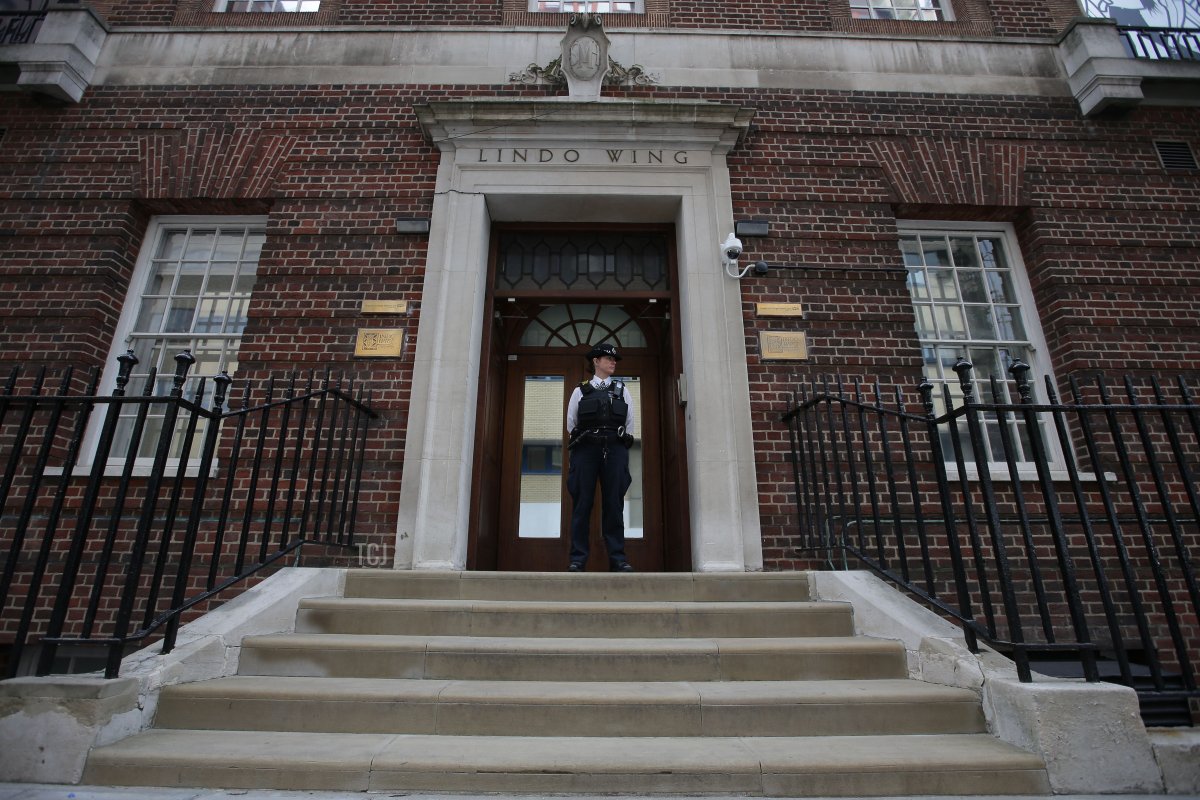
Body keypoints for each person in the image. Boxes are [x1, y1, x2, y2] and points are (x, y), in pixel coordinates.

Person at [565, 342, 636, 572]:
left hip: (614, 449)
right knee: (582, 505)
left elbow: (630, 425)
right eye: (608, 358)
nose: (613, 362)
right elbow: (571, 425)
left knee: (614, 506)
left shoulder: (623, 390)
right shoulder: (580, 391)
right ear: (595, 361)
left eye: (614, 359)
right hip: (586, 449)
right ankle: (577, 560)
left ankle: (618, 559)